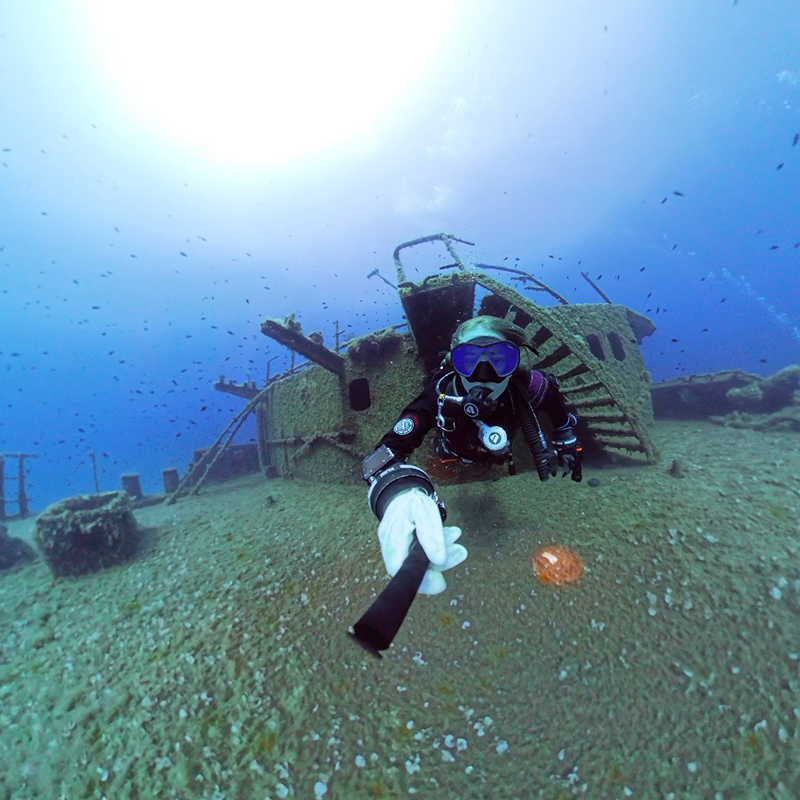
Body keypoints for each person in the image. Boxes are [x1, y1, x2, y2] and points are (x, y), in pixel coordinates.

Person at [360, 315, 582, 596]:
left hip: (498, 456)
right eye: (469, 360)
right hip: (453, 455)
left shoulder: (530, 387)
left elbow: (559, 411)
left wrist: (566, 439)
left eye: (500, 359)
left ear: (516, 363)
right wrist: (398, 493)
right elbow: (387, 452)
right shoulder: (439, 394)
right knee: (447, 467)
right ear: (454, 363)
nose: (484, 374)